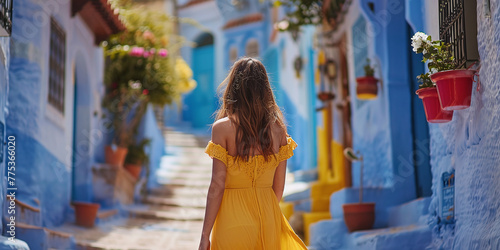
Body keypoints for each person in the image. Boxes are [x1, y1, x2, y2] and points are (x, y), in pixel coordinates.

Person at [198, 57, 307, 250]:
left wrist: (205, 235)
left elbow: (217, 185)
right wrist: (264, 212)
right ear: (265, 89)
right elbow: (278, 188)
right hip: (267, 218)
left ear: (233, 87)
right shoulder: (279, 130)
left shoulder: (222, 129)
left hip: (232, 219)